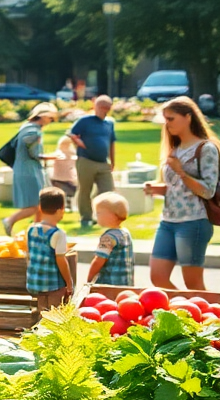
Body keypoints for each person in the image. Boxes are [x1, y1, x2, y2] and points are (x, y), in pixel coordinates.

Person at [144, 96, 218, 290]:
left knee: (193, 283)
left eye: (171, 119)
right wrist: (156, 189)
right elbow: (176, 187)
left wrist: (180, 171)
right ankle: (186, 310)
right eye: (165, 120)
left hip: (193, 222)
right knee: (158, 277)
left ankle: (210, 317)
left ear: (188, 117)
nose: (167, 125)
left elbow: (208, 191)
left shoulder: (206, 148)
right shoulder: (175, 148)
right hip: (168, 222)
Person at [1, 102, 59, 236]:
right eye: (50, 118)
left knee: (39, 205)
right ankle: (10, 220)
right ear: (43, 116)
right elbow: (34, 154)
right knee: (34, 205)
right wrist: (52, 157)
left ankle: (35, 232)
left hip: (26, 169)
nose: (51, 121)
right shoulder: (33, 131)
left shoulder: (27, 127)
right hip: (29, 171)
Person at [68, 95, 117, 229]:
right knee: (85, 190)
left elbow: (112, 142)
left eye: (107, 108)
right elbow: (71, 133)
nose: (104, 110)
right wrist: (79, 143)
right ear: (95, 107)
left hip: (103, 162)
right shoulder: (85, 121)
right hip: (86, 160)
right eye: (101, 107)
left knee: (108, 190)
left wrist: (112, 161)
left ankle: (101, 215)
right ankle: (86, 218)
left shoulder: (109, 123)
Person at [25, 187, 73, 299]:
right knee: (53, 313)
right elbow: (61, 260)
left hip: (34, 283)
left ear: (40, 208)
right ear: (61, 210)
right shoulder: (58, 234)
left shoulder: (31, 229)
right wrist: (69, 283)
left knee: (41, 310)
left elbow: (28, 254)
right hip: (52, 285)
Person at [85, 192, 133, 286]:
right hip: (125, 283)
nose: (96, 216)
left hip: (109, 283)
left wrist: (89, 279)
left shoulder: (108, 238)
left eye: (98, 213)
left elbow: (99, 260)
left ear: (112, 215)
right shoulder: (125, 233)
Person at [50, 134, 79, 208]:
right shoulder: (70, 155)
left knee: (68, 192)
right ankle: (66, 204)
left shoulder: (59, 154)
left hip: (59, 179)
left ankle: (66, 204)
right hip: (63, 179)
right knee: (70, 191)